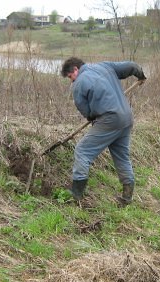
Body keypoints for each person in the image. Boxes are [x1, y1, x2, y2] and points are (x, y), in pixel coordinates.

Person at [61, 57, 146, 206]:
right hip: (126, 118)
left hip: (109, 119)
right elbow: (131, 66)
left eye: (70, 77)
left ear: (75, 69)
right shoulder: (105, 66)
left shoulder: (79, 83)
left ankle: (76, 195)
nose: (71, 80)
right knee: (122, 156)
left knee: (82, 151)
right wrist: (140, 75)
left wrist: (92, 117)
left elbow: (85, 110)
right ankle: (126, 198)